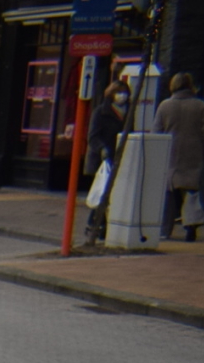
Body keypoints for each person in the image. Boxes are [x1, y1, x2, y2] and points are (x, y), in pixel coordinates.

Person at [155, 72, 204, 241]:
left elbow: (157, 131)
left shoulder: (164, 106)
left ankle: (165, 230)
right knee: (191, 191)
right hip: (192, 152)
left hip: (170, 153)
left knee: (169, 193)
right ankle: (191, 226)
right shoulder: (200, 106)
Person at [83, 79, 130, 243]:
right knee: (103, 193)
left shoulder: (129, 112)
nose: (122, 96)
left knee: (111, 195)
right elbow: (92, 136)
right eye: (118, 93)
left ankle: (98, 226)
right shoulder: (101, 112)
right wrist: (102, 149)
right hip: (102, 160)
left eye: (124, 93)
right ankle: (95, 225)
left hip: (121, 159)